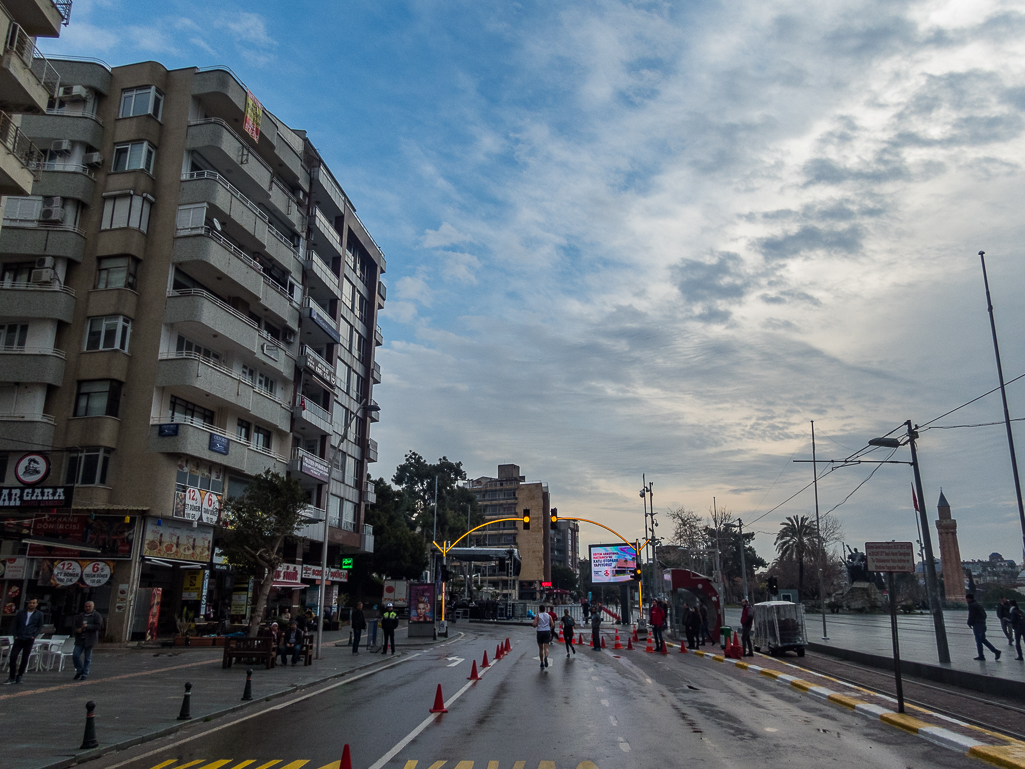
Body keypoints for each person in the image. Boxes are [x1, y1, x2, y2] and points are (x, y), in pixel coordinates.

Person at [72, 601, 104, 680]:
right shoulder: (81, 616)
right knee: (75, 655)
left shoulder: (96, 615)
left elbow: (98, 626)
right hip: (80, 639)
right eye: (86, 606)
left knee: (87, 658)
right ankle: (79, 670)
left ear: (93, 607)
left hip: (90, 639)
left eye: (89, 606)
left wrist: (88, 626)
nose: (88, 608)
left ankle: (85, 673)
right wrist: (77, 630)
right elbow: (75, 626)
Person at [966, 593, 1001, 661]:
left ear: (968, 599)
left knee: (979, 641)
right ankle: (995, 651)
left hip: (977, 624)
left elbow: (971, 615)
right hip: (982, 624)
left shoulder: (972, 605)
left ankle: (981, 655)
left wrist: (969, 623)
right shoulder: (978, 604)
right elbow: (984, 615)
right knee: (983, 639)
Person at [533, 603, 552, 669]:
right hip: (547, 631)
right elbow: (552, 624)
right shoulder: (548, 616)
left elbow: (534, 624)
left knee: (540, 648)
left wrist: (536, 625)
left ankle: (541, 663)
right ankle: (546, 656)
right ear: (545, 609)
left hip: (540, 632)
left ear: (539, 609)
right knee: (546, 648)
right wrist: (549, 629)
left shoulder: (538, 616)